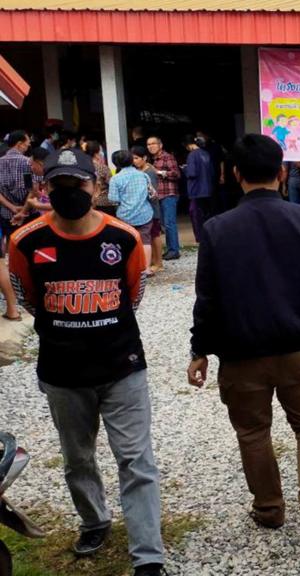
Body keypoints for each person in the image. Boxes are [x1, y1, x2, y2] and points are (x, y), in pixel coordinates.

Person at [8, 148, 165, 576]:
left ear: (95, 188)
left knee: (136, 460)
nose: (69, 192)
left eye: (77, 184)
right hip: (63, 372)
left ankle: (148, 556)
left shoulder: (124, 238)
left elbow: (133, 296)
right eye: (59, 185)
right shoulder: (26, 240)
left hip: (122, 366)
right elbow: (28, 298)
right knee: (77, 457)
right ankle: (94, 519)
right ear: (46, 189)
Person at [187, 134, 300, 548]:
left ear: (233, 174)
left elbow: (207, 297)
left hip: (240, 354)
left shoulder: (216, 229)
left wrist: (199, 349)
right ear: (282, 172)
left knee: (253, 432)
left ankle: (270, 507)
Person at [108, 150, 155, 272]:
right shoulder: (143, 175)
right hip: (144, 213)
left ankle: (129, 269)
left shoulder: (115, 179)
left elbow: (113, 199)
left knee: (126, 241)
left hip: (124, 216)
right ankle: (147, 268)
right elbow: (152, 193)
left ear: (115, 163)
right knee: (145, 240)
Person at [147, 136, 182, 260]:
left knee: (169, 223)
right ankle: (170, 249)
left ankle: (174, 250)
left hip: (169, 194)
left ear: (160, 145)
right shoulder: (153, 159)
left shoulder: (167, 157)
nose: (151, 146)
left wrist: (160, 172)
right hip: (159, 195)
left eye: (153, 143)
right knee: (163, 223)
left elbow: (177, 174)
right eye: (148, 144)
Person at [131, 146, 163, 273]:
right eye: (132, 158)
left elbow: (153, 194)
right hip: (145, 209)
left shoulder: (149, 172)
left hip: (152, 208)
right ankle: (154, 260)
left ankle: (159, 262)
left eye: (136, 158)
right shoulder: (140, 171)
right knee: (150, 235)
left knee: (155, 235)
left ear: (144, 158)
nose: (134, 161)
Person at [0, 131, 33, 241]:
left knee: (10, 244)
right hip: (27, 214)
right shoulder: (28, 163)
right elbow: (33, 190)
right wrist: (23, 210)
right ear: (19, 144)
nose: (29, 146)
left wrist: (12, 207)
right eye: (27, 143)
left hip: (6, 214)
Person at [183, 135, 213, 241]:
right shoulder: (206, 154)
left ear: (189, 145)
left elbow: (192, 173)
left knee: (195, 214)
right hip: (207, 188)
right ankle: (208, 235)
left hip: (196, 190)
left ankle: (200, 237)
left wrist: (185, 169)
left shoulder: (192, 155)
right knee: (206, 214)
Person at [87, 140, 117, 216]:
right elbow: (111, 184)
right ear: (96, 153)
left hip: (88, 201)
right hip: (103, 203)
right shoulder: (102, 168)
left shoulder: (84, 167)